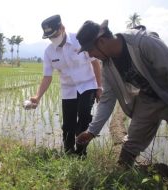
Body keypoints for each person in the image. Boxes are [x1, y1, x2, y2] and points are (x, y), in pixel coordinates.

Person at [75, 19, 168, 167]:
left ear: (101, 42)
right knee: (129, 148)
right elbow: (107, 100)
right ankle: (123, 175)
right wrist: (92, 131)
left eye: (90, 50)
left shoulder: (143, 42)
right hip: (148, 100)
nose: (90, 55)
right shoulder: (108, 66)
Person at [30, 15, 102, 156]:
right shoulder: (49, 52)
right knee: (68, 123)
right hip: (68, 89)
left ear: (62, 28)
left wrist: (99, 87)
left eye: (55, 34)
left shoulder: (79, 40)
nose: (53, 38)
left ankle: (81, 153)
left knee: (84, 117)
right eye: (49, 37)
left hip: (87, 85)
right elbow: (47, 76)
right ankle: (69, 152)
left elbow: (95, 62)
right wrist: (37, 96)